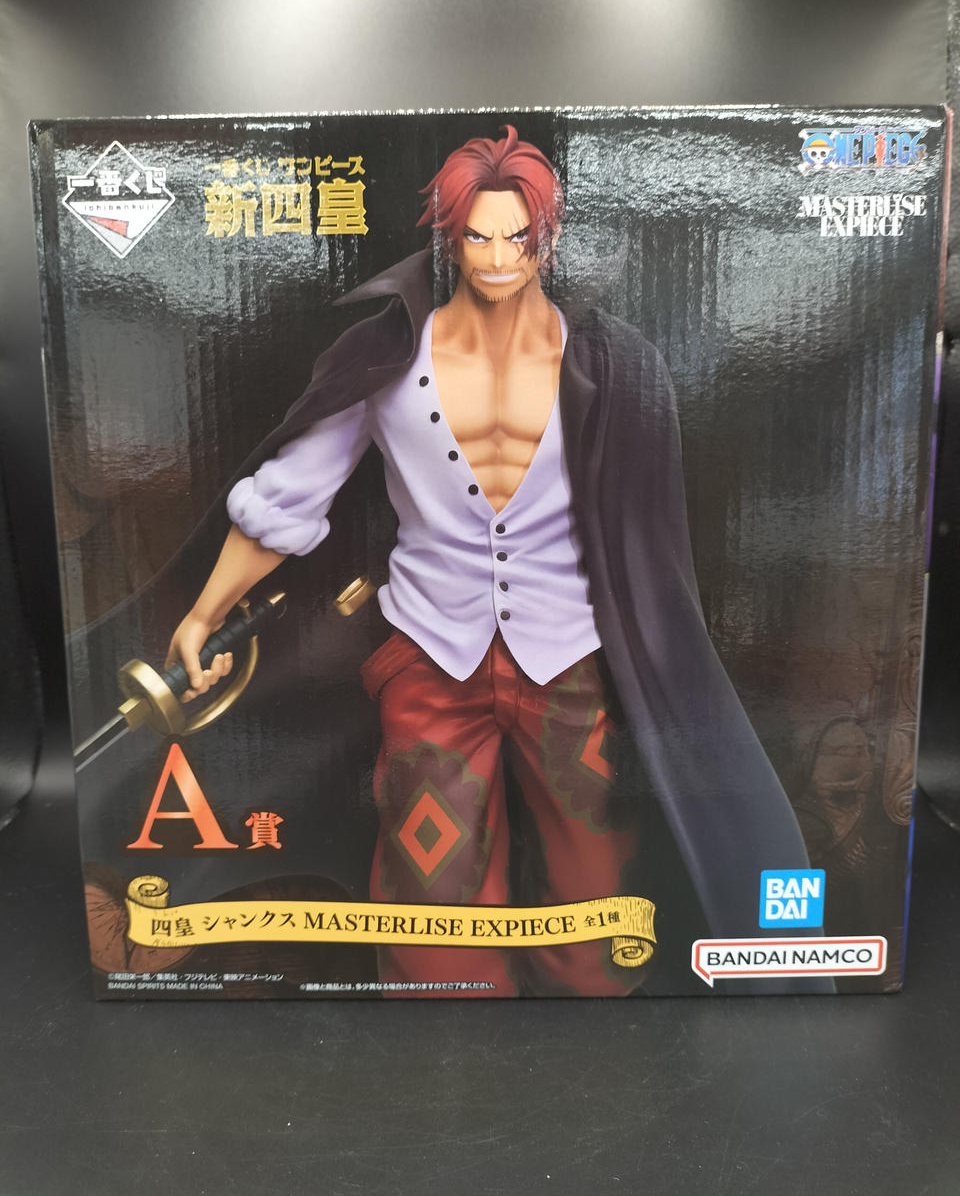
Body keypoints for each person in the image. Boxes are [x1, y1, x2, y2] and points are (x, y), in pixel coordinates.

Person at [166, 125, 821, 996]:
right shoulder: (386, 358)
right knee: (430, 882)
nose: (500, 257)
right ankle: (447, 1034)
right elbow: (290, 495)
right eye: (478, 236)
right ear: (449, 238)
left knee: (597, 873)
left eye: (519, 236)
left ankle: (599, 1027)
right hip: (431, 651)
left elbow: (653, 537)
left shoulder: (610, 365)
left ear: (547, 236)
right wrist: (204, 613)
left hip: (572, 656)